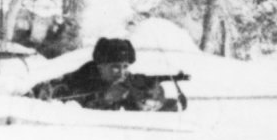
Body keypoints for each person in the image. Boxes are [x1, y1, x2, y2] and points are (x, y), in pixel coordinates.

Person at [28, 36, 176, 111]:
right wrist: (106, 99)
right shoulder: (79, 80)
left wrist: (154, 97)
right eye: (115, 67)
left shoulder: (128, 81)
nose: (122, 72)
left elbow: (166, 104)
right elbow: (72, 110)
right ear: (100, 66)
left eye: (125, 66)